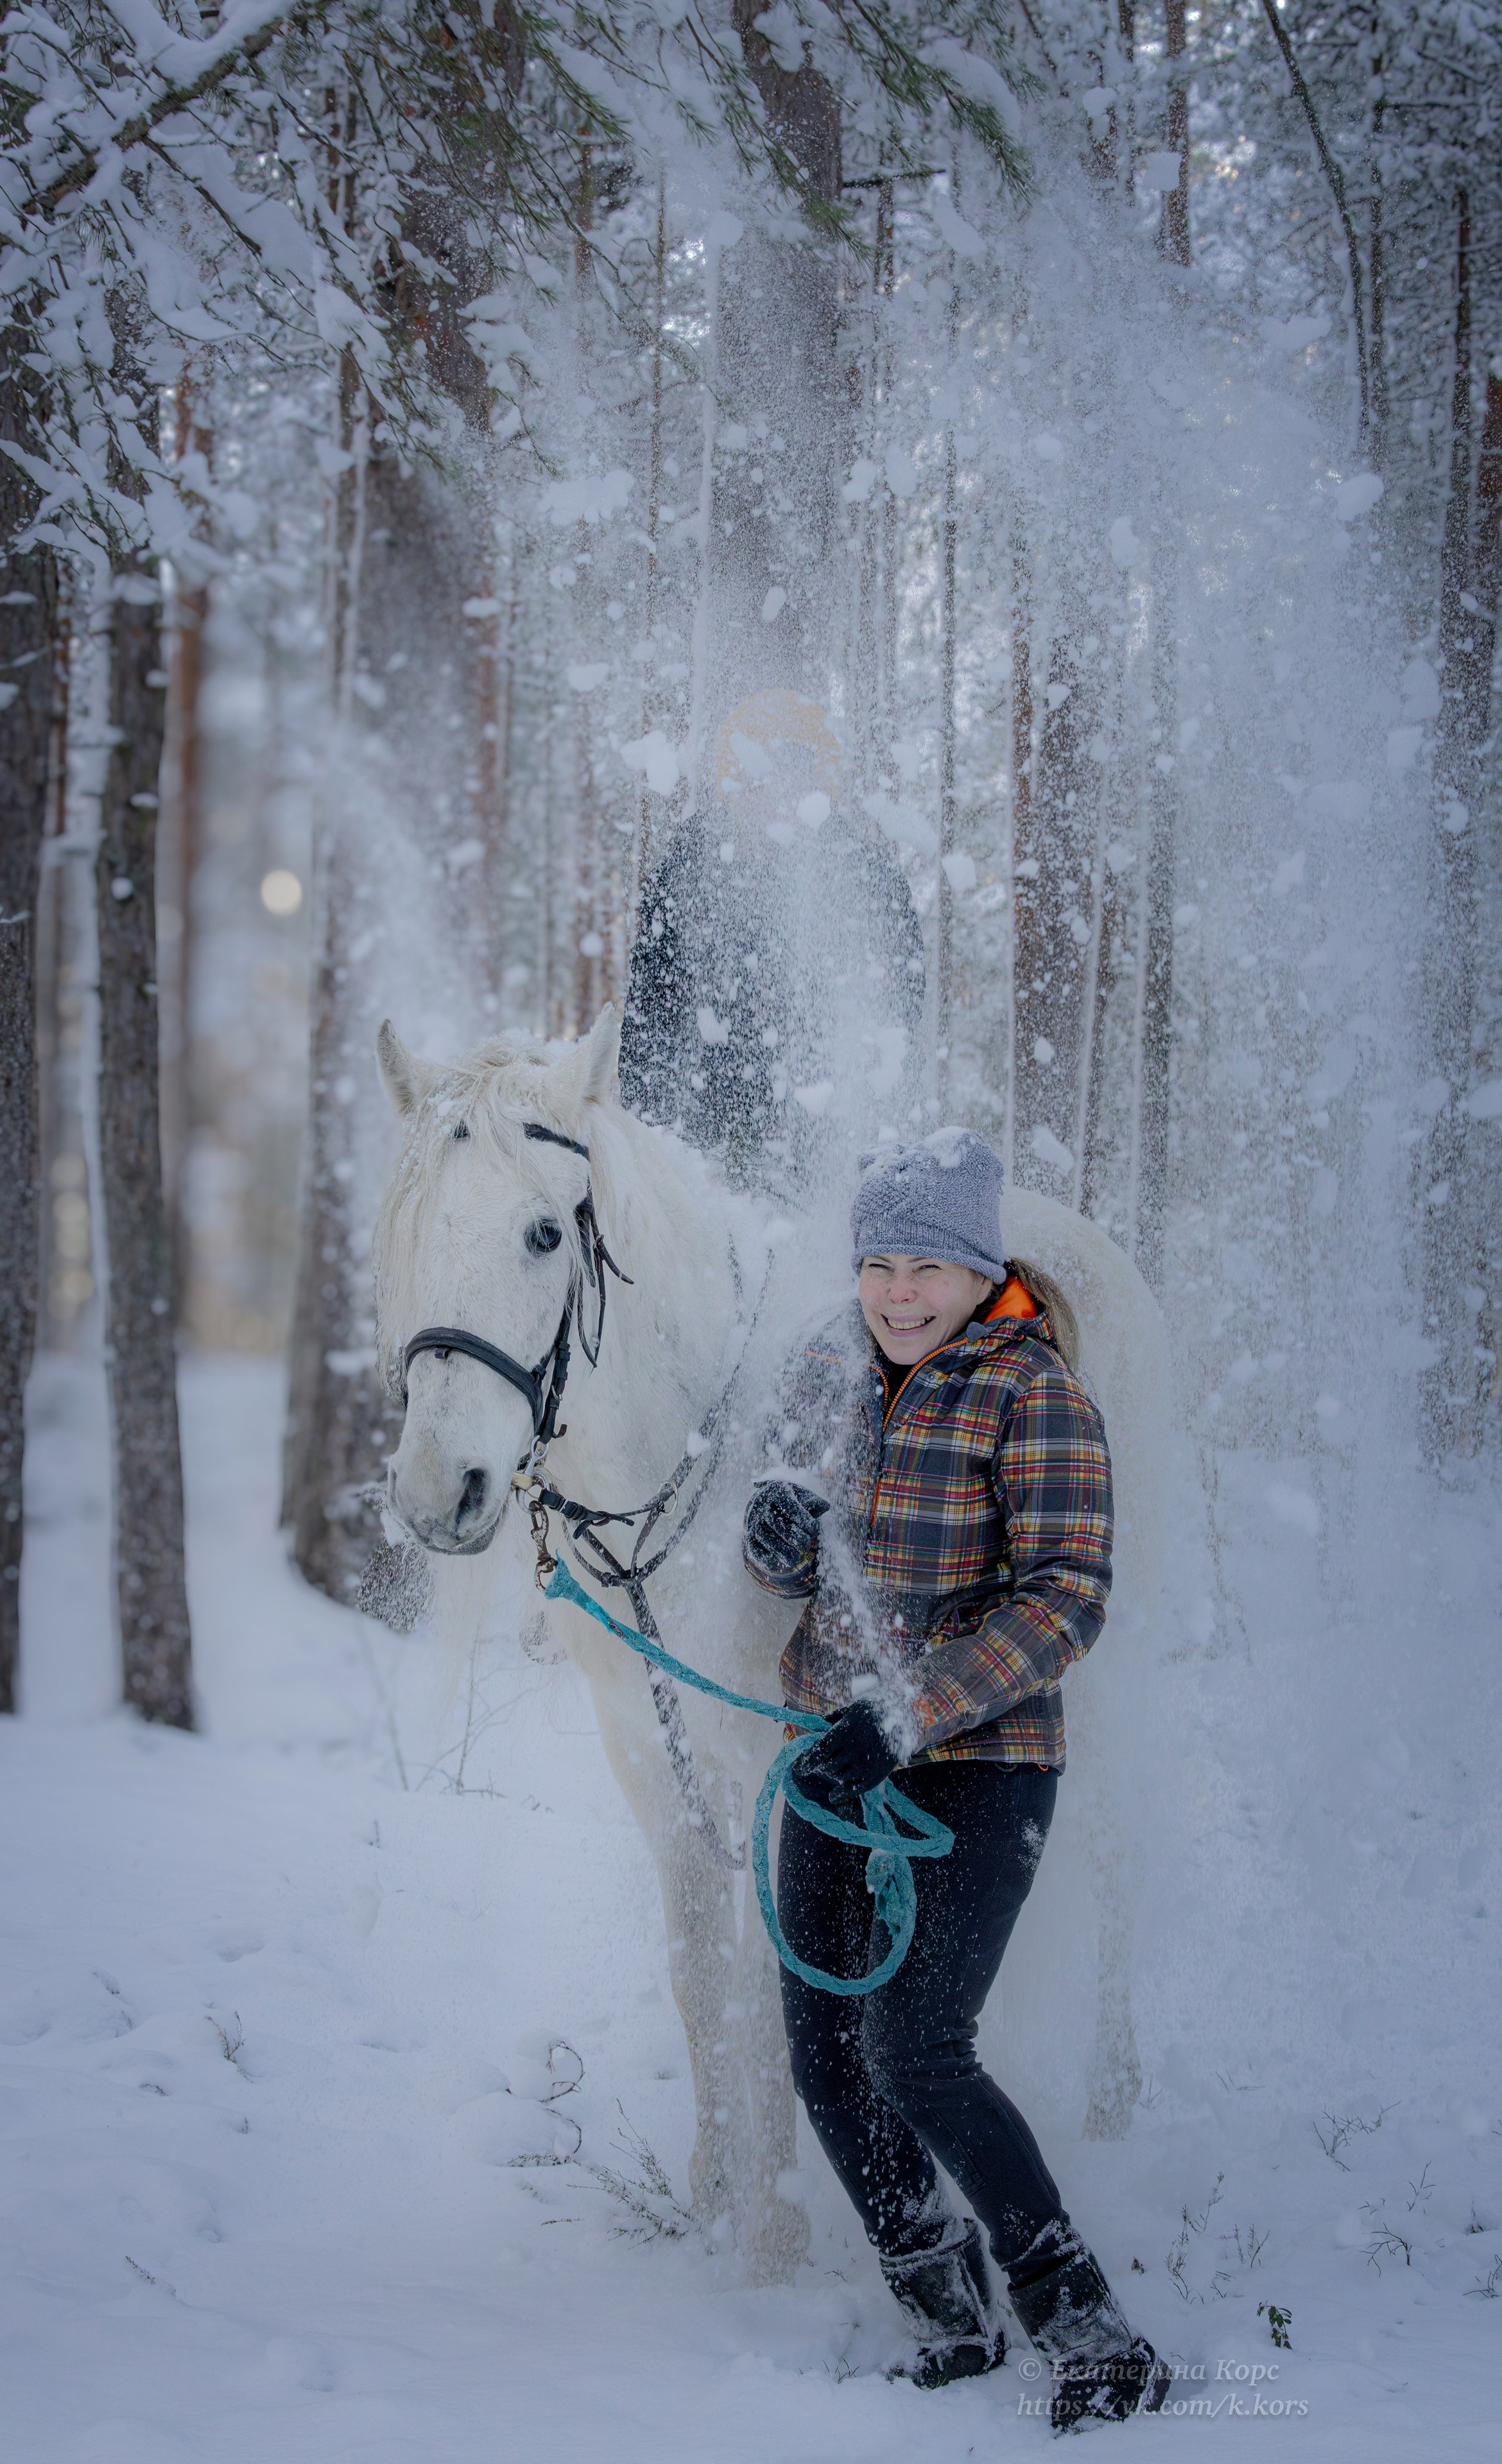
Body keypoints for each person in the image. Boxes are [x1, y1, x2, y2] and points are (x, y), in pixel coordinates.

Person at [742, 1129, 1169, 2434]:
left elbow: (1065, 1602)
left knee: (915, 2048)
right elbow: (791, 1517)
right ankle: (942, 2309)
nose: (896, 1292)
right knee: (822, 2054)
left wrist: (907, 1711)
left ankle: (1086, 2326)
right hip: (828, 1757)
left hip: (982, 1768)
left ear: (981, 1270)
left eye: (925, 1265)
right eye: (876, 1262)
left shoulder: (1031, 1393)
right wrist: (772, 1530)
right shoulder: (829, 1360)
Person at [619, 691, 922, 1195]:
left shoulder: (865, 878)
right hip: (704, 1141)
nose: (772, 798)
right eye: (756, 782)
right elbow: (650, 1022)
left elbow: (898, 1011)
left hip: (825, 1143)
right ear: (730, 786)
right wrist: (649, 1144)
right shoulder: (684, 873)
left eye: (790, 780)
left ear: (816, 790)